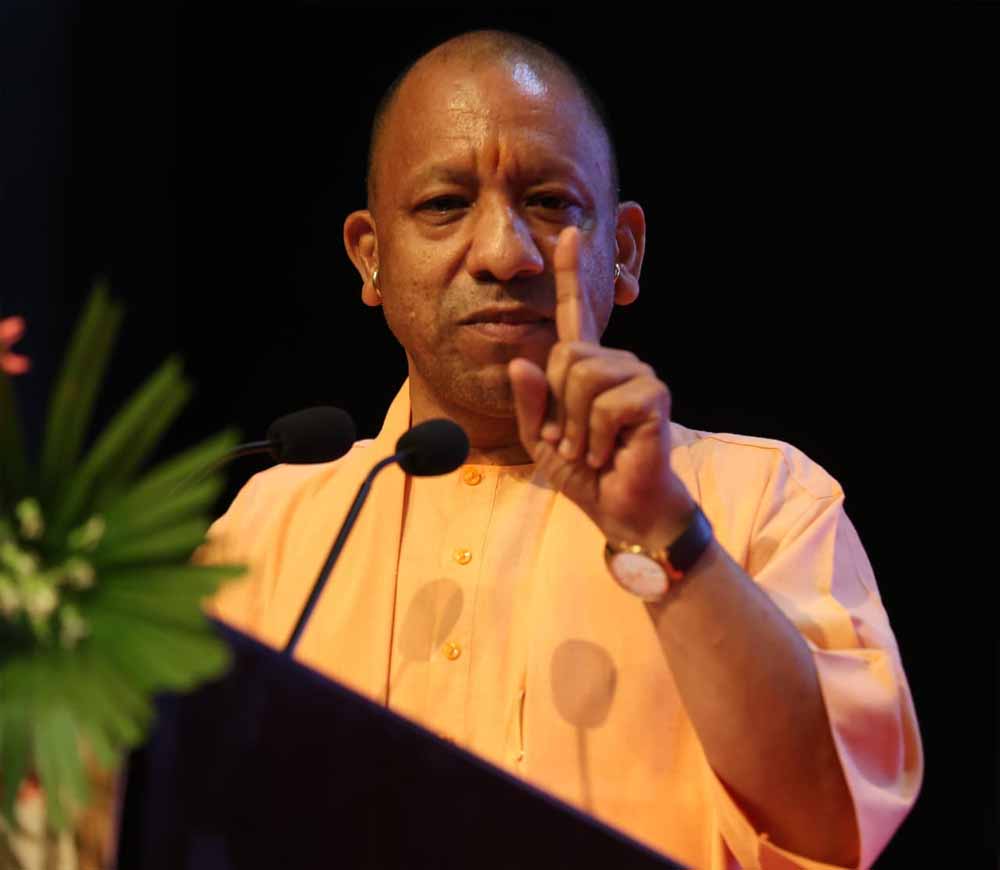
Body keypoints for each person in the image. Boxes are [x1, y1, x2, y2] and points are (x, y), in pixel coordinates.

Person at [198, 30, 922, 869]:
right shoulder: (270, 527)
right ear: (371, 258)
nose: (503, 253)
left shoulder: (765, 499)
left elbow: (836, 825)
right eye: (444, 205)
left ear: (624, 252)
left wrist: (667, 535)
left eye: (548, 202)